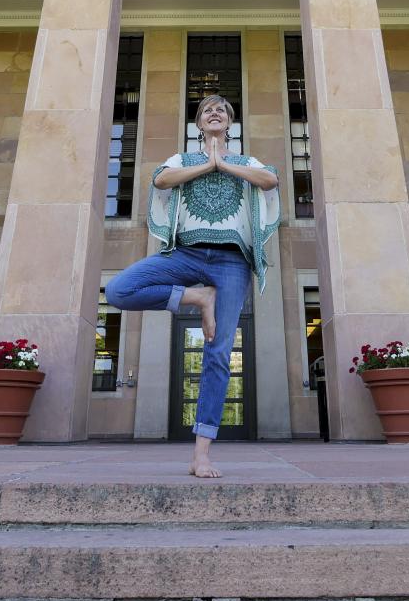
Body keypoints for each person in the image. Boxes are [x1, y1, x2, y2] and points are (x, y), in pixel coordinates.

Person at [105, 94, 279, 478]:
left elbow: (270, 179)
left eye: (222, 110)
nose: (214, 113)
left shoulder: (245, 161)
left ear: (229, 124)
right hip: (185, 253)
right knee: (119, 290)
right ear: (198, 125)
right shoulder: (181, 159)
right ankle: (197, 297)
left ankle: (201, 454)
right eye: (207, 111)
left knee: (218, 353)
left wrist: (224, 165)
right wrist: (206, 164)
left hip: (232, 260)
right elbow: (160, 180)